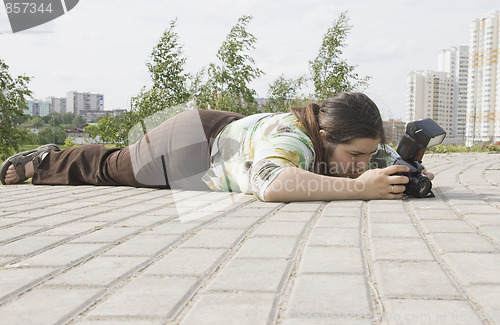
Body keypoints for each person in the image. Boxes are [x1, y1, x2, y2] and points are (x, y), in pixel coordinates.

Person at [1, 92, 434, 201]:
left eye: (367, 154)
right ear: (324, 136)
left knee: (123, 158)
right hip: (189, 145)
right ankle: (44, 161)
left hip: (229, 131)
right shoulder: (294, 140)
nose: (361, 164)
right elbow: (271, 184)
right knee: (116, 168)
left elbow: (380, 160)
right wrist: (361, 188)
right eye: (354, 156)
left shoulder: (344, 138)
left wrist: (405, 173)